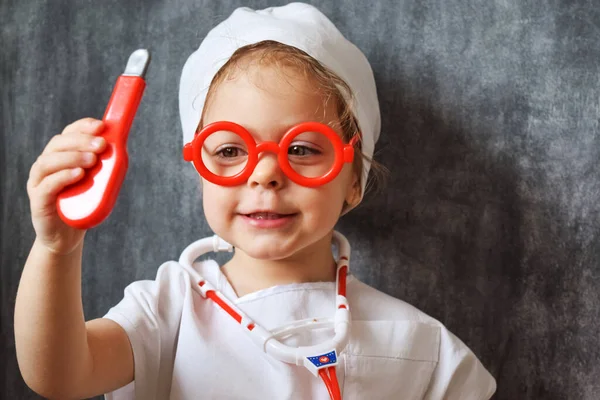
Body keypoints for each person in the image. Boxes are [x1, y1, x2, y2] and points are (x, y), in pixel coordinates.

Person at [15, 3, 496, 399]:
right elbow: (59, 376)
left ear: (354, 178)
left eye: (303, 149)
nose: (265, 174)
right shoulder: (168, 309)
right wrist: (56, 249)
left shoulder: (420, 347)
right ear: (198, 167)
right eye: (229, 150)